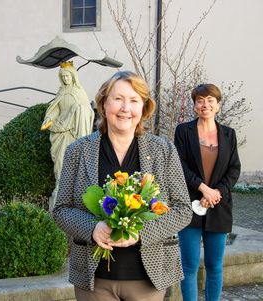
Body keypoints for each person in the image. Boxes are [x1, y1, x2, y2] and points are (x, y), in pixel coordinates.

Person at [53, 71, 192, 301]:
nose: (125, 108)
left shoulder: (164, 151)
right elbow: (61, 210)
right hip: (94, 281)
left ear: (144, 108)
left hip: (148, 280)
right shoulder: (77, 151)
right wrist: (93, 228)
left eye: (134, 100)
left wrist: (140, 232)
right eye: (118, 99)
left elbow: (182, 209)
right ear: (104, 103)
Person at [174, 84, 241, 301]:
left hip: (219, 206)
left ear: (218, 105)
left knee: (214, 266)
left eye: (210, 99)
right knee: (190, 265)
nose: (205, 104)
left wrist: (216, 193)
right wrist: (203, 188)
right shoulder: (183, 131)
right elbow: (179, 165)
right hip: (190, 205)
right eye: (200, 100)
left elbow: (234, 169)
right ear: (194, 105)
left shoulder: (229, 135)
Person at [41, 61, 94, 210]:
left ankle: (75, 190)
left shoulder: (79, 91)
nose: (65, 79)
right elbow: (54, 110)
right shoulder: (60, 92)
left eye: (67, 76)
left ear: (73, 76)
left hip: (74, 131)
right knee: (59, 161)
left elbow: (88, 112)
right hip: (60, 130)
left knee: (73, 160)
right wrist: (48, 117)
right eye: (62, 77)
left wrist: (78, 110)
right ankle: (60, 186)